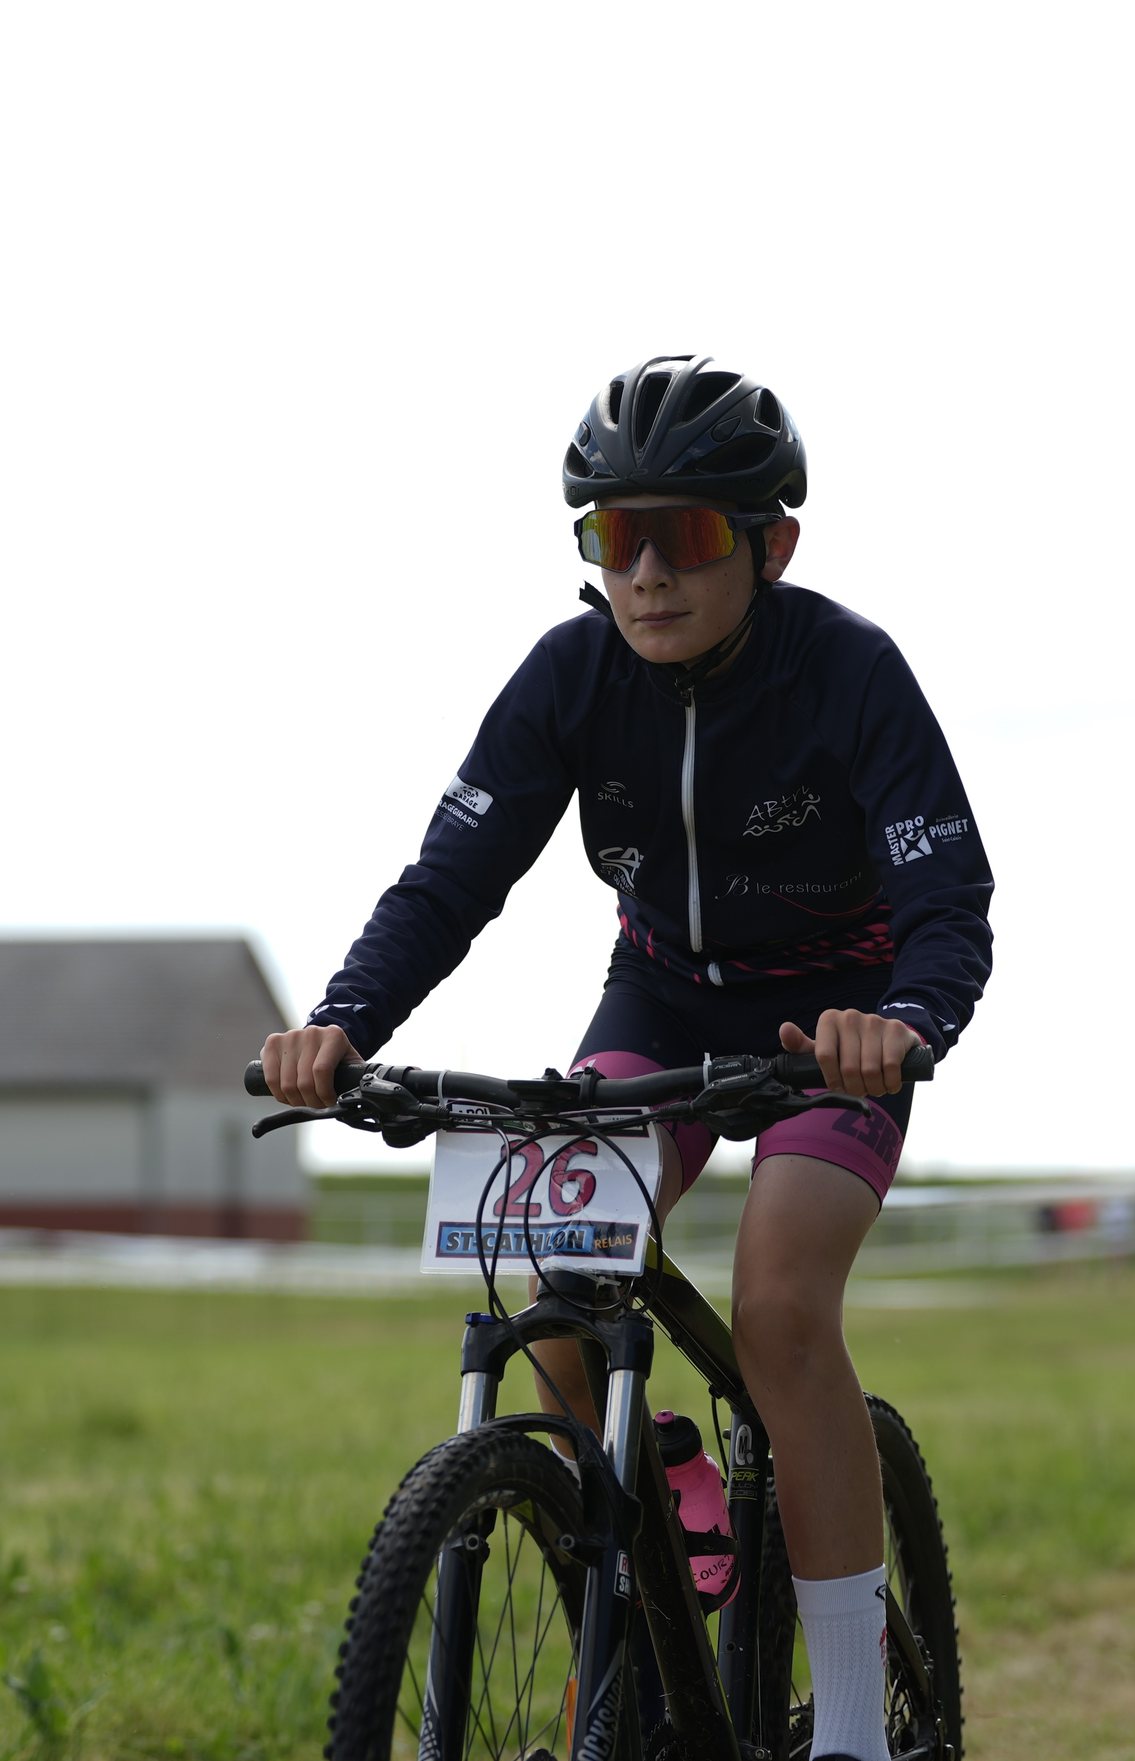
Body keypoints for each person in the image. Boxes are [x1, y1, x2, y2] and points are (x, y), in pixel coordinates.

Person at [258, 354, 995, 1761]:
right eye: (613, 535)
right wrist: (344, 1026)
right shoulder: (571, 672)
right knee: (555, 1284)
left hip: (828, 1025)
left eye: (689, 534)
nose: (647, 570)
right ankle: (656, 1536)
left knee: (779, 1304)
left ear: (771, 542)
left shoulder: (848, 668)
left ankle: (847, 1725)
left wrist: (900, 1025)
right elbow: (452, 878)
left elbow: (948, 893)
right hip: (659, 997)